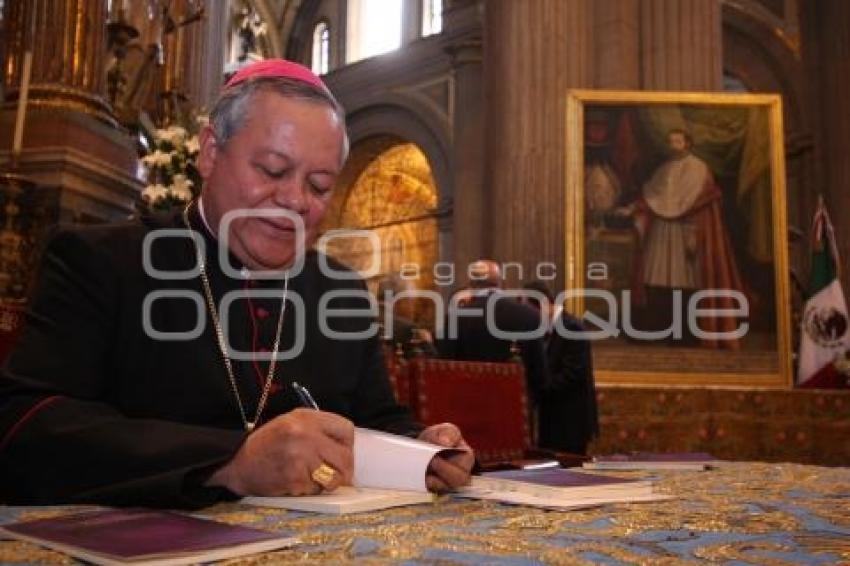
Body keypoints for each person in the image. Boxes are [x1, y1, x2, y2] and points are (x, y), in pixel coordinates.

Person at [0, 59, 473, 507]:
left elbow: (375, 420)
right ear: (210, 153)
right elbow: (29, 424)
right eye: (272, 170)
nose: (294, 199)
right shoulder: (102, 260)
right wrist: (229, 462)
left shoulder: (340, 291)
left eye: (320, 185)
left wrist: (422, 452)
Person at [616, 129, 745, 347]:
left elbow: (692, 200)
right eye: (670, 141)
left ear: (688, 143)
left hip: (686, 231)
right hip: (662, 231)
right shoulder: (664, 169)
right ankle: (656, 330)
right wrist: (634, 209)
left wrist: (674, 212)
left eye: (678, 140)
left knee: (684, 282)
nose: (673, 144)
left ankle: (685, 334)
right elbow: (653, 197)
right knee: (657, 279)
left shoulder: (698, 168)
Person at [439, 260, 547, 403]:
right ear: (501, 282)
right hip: (515, 404)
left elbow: (445, 368)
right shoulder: (529, 315)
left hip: (470, 402)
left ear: (470, 285)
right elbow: (540, 374)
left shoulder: (454, 318)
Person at [521, 281, 598, 454]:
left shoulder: (572, 327)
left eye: (532, 311)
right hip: (551, 418)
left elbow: (572, 373)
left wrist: (539, 389)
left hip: (570, 420)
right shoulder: (543, 328)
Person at [376, 274, 437, 359]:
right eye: (411, 301)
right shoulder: (407, 329)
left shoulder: (361, 321)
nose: (414, 308)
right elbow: (427, 366)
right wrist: (426, 342)